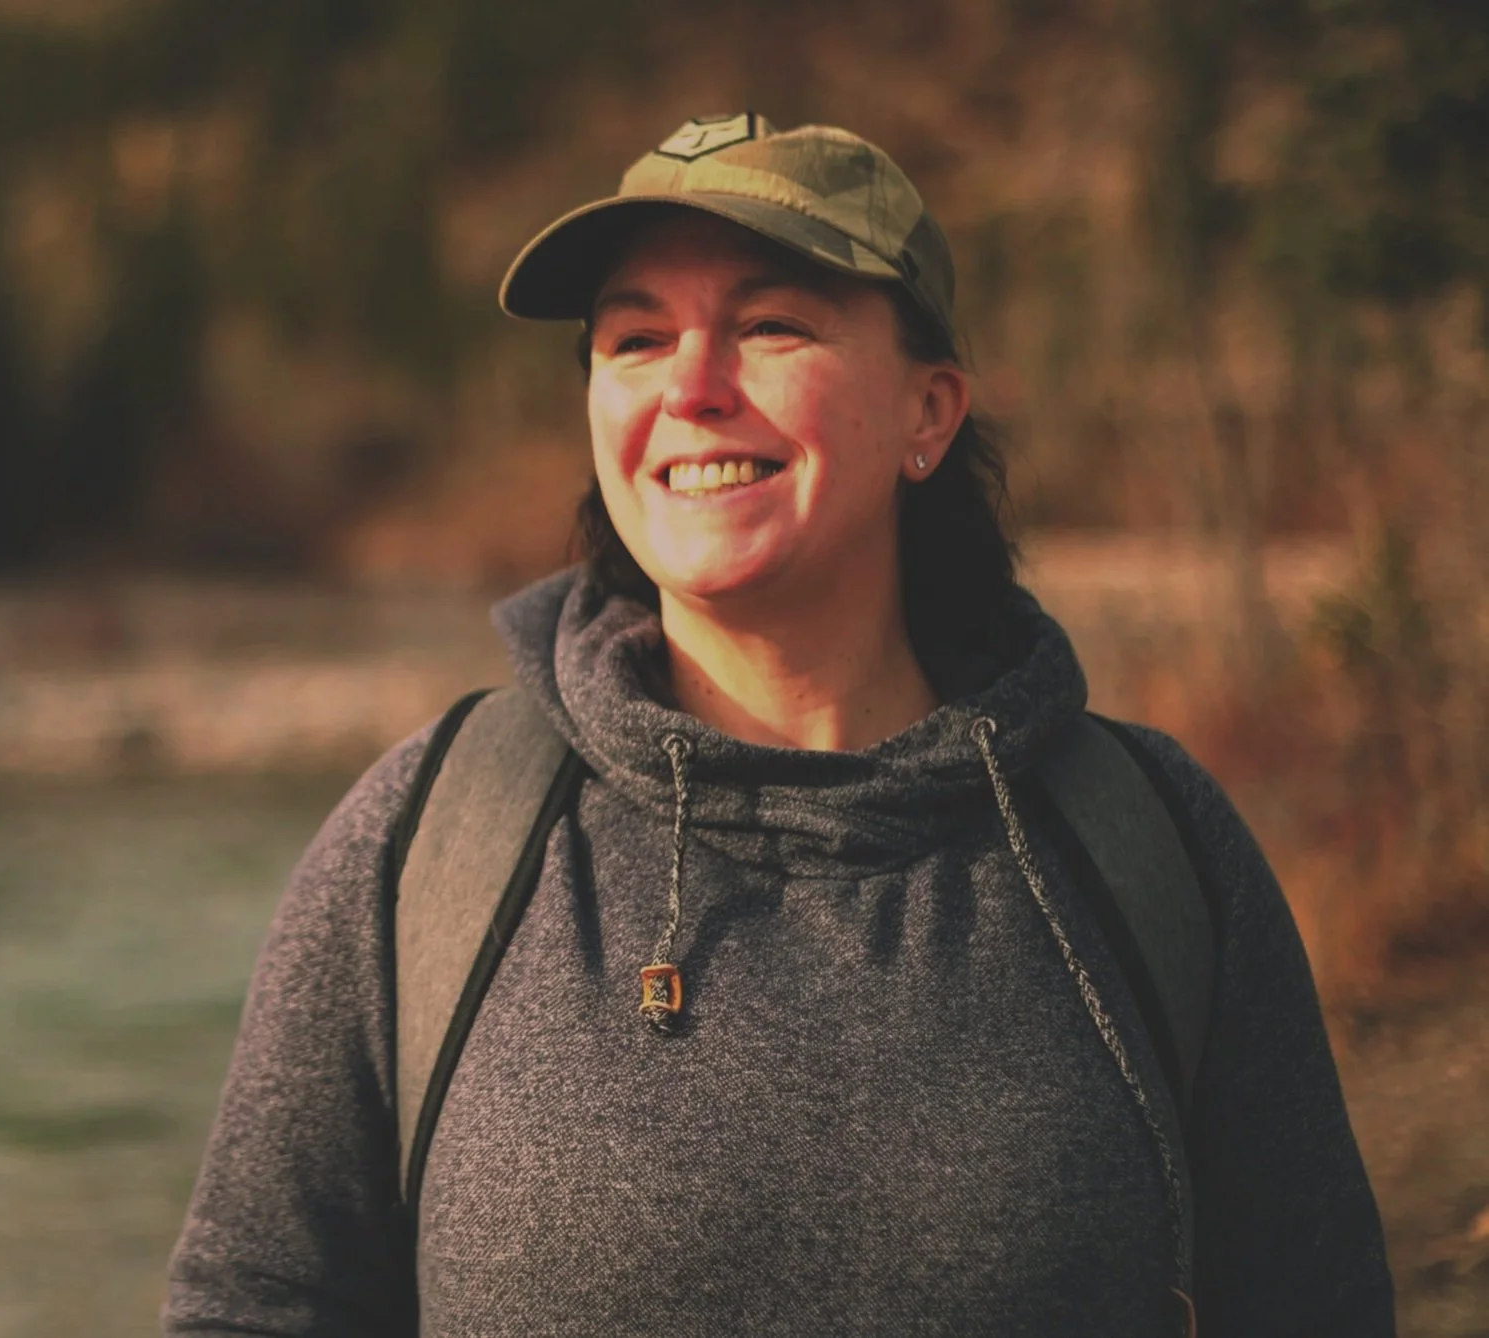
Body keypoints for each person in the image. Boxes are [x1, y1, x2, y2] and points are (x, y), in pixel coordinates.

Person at [163, 114, 1394, 1336]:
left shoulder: (1150, 843)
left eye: (770, 327)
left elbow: (1314, 1301)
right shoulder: (429, 838)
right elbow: (255, 1306)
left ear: (929, 411)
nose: (691, 390)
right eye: (635, 339)